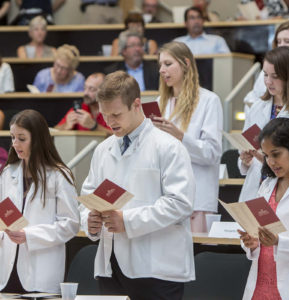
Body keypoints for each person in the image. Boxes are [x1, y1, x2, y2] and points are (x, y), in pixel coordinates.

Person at [79, 71, 195, 300]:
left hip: (156, 267)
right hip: (110, 265)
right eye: (105, 115)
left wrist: (128, 221)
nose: (110, 122)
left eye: (116, 114)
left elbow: (181, 203)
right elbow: (88, 195)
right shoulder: (103, 150)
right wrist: (89, 221)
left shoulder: (168, 147)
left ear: (136, 104)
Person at [0, 109, 80, 293]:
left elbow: (71, 224)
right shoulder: (8, 172)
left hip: (40, 272)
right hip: (6, 269)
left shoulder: (59, 175)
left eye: (21, 138)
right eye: (12, 137)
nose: (15, 144)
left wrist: (29, 235)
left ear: (37, 139)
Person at [153, 41, 223, 232]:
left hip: (197, 198)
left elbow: (212, 153)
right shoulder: (160, 103)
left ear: (185, 64)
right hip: (164, 197)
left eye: (168, 64)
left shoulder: (209, 100)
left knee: (196, 257)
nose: (162, 70)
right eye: (160, 65)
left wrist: (180, 136)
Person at [239, 117, 289, 300]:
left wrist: (278, 242)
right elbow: (255, 232)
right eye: (266, 156)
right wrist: (250, 242)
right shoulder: (266, 185)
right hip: (260, 286)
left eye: (276, 154)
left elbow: (278, 241)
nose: (271, 162)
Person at [238, 46, 289, 203]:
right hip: (257, 186)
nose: (268, 81)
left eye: (275, 76)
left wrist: (267, 158)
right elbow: (246, 145)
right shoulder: (258, 107)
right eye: (265, 75)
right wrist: (245, 159)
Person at [244, 20, 289, 116]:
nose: (281, 45)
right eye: (279, 41)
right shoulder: (269, 68)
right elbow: (254, 98)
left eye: (287, 41)